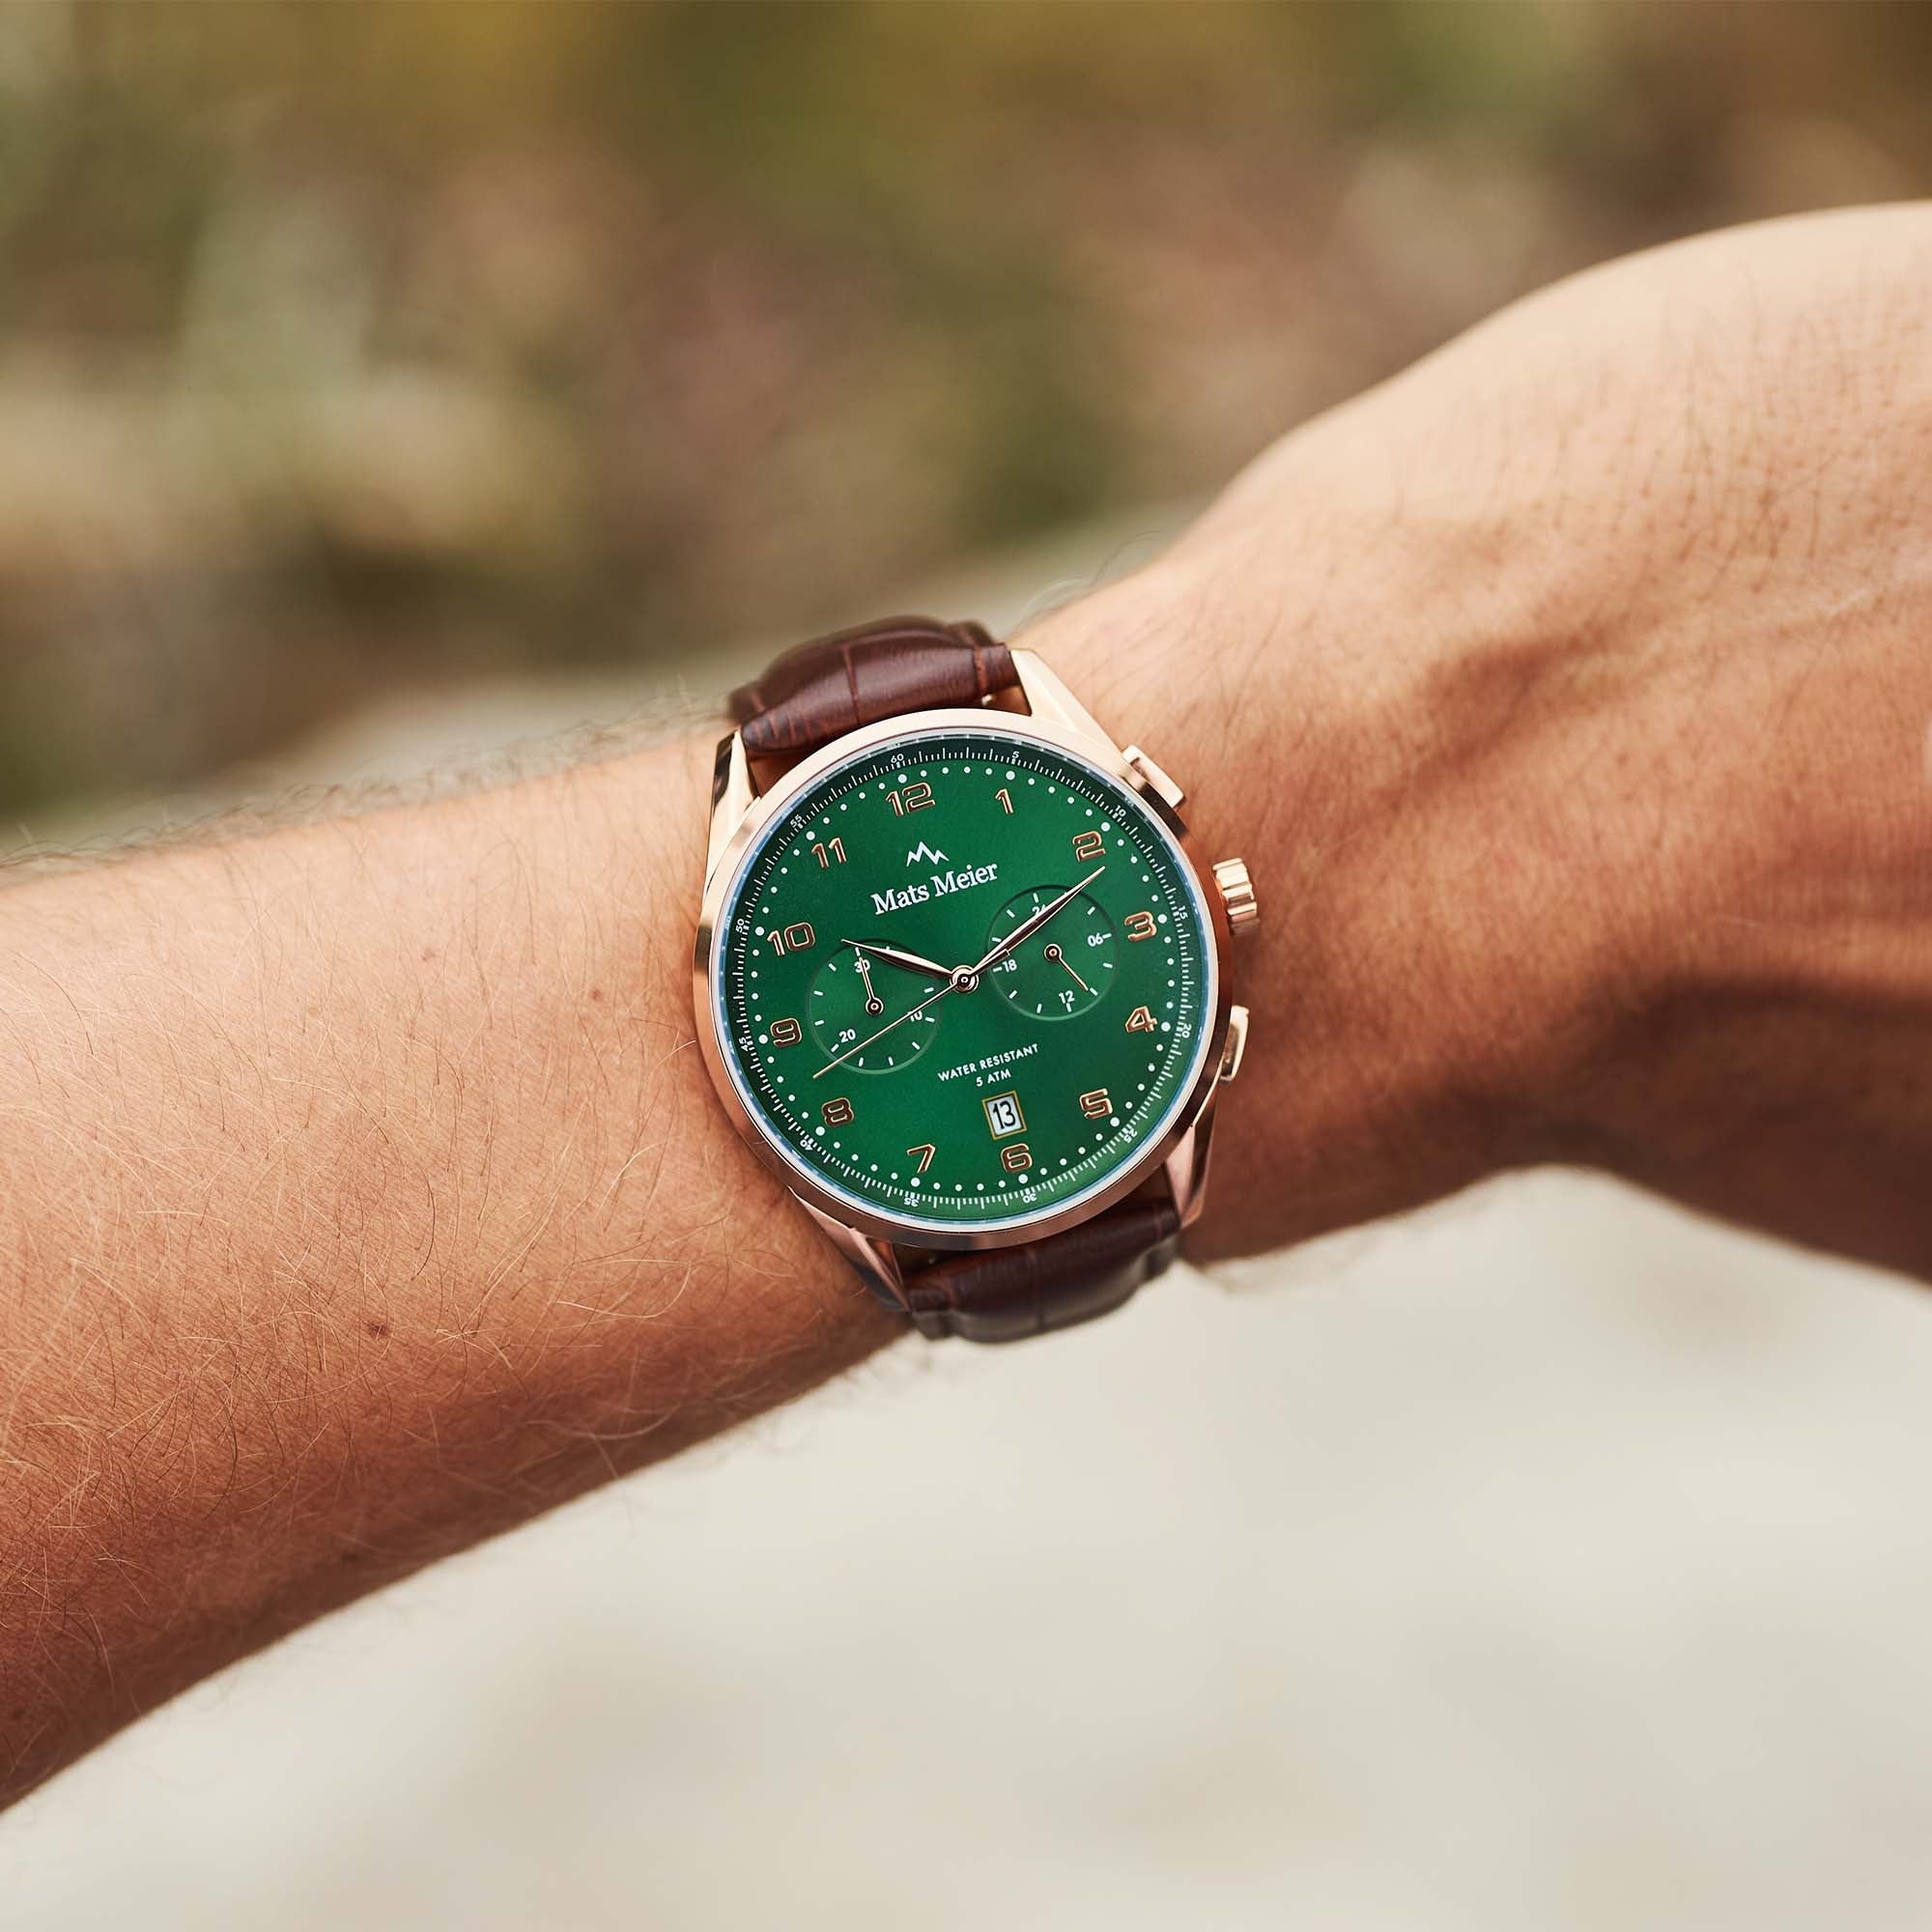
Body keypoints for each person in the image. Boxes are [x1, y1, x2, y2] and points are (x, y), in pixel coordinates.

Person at [4, 203, 1930, 1808]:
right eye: (928, 970)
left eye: (1026, 941)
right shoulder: (823, 1024)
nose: (983, 968)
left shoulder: (1117, 892)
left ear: (1192, 879)